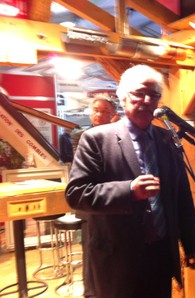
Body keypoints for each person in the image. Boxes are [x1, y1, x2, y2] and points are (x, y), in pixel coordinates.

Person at [65, 64, 195, 298]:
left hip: (160, 254)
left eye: (154, 95)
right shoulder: (96, 139)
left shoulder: (167, 139)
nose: (147, 100)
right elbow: (76, 193)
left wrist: (191, 245)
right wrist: (129, 191)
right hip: (117, 259)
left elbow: (181, 197)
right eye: (139, 93)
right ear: (123, 97)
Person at [70, 96, 117, 297]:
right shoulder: (81, 135)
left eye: (105, 111)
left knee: (112, 253)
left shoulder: (119, 133)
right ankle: (90, 293)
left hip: (114, 201)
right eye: (96, 110)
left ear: (113, 114)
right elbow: (87, 171)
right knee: (91, 252)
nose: (99, 114)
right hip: (89, 203)